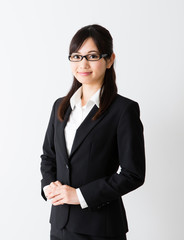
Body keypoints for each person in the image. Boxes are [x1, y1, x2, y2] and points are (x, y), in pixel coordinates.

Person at [40, 24, 145, 240]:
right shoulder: (60, 106)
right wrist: (49, 186)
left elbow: (132, 174)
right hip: (60, 226)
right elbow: (49, 157)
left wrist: (79, 195)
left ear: (109, 60)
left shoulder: (123, 110)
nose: (83, 64)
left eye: (92, 56)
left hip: (100, 229)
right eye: (76, 56)